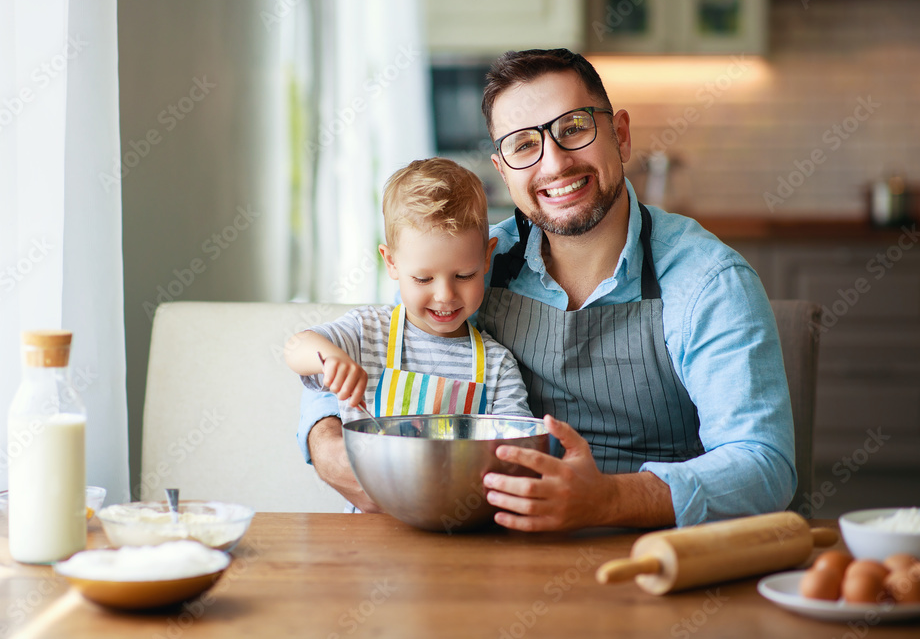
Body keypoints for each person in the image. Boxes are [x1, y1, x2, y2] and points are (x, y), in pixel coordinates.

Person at [298, 48, 796, 527]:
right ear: (503, 171)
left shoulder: (708, 281)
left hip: (650, 552)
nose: (554, 164)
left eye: (574, 128)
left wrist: (608, 501)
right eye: (523, 145)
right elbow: (381, 344)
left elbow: (764, 466)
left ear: (620, 136)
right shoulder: (474, 265)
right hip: (501, 546)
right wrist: (330, 448)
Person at [286, 158, 531, 510]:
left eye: (464, 275)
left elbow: (515, 452)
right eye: (423, 279)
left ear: (487, 257)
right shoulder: (366, 332)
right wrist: (329, 358)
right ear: (391, 263)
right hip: (368, 534)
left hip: (460, 530)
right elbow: (297, 347)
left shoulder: (497, 366)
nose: (445, 295)